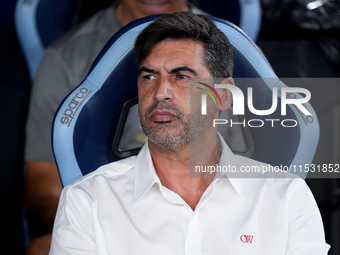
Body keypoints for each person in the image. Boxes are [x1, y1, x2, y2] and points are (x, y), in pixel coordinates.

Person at [49, 12, 330, 254]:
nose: (160, 93)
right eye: (149, 76)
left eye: (181, 76)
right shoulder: (87, 200)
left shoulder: (286, 196)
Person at [24, 1, 205, 254]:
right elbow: (43, 186)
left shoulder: (232, 51)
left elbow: (262, 174)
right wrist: (100, 223)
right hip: (105, 224)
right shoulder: (65, 57)